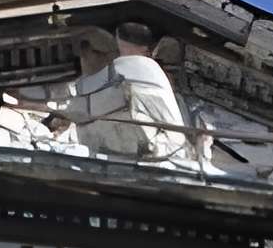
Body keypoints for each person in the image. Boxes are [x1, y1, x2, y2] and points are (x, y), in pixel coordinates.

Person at [45, 19, 189, 164]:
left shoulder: (134, 70)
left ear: (117, 41)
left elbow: (71, 102)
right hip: (141, 158)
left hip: (142, 158)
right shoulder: (143, 71)